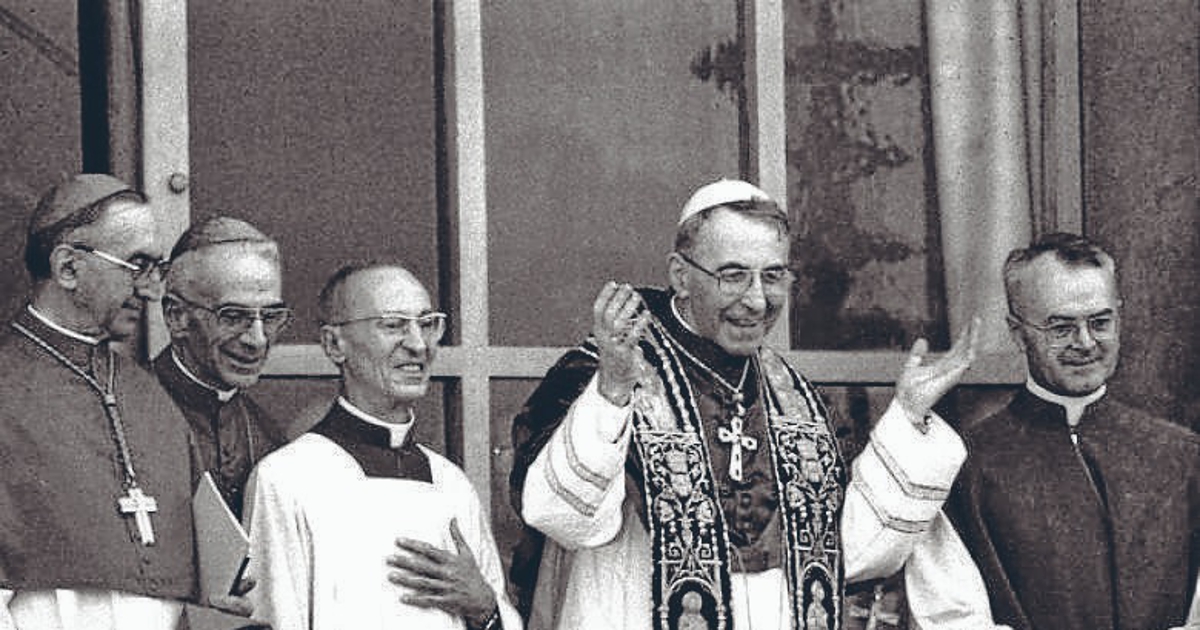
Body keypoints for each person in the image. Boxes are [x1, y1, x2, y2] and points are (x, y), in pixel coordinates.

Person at [509, 178, 980, 629]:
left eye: (773, 276)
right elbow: (566, 520)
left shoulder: (795, 400)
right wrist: (611, 392)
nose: (756, 301)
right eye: (733, 276)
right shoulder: (609, 365)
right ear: (681, 275)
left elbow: (851, 553)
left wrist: (910, 417)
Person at [933, 233, 1199, 630]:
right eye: (1060, 328)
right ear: (1018, 333)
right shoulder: (967, 467)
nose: (1086, 342)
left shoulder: (1183, 457)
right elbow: (951, 617)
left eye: (1100, 322)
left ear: (1119, 318)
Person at [244, 262, 522, 630]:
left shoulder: (451, 483)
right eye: (393, 325)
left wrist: (486, 609)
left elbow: (494, 615)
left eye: (427, 324)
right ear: (334, 344)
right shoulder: (288, 479)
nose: (418, 344)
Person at [0, 174, 196, 628]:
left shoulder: (150, 396)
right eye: (137, 265)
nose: (151, 289)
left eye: (156, 269)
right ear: (68, 267)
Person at [155, 216, 292, 520]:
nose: (256, 340)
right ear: (177, 317)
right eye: (232, 316)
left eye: (270, 317)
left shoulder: (268, 435)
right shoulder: (128, 411)